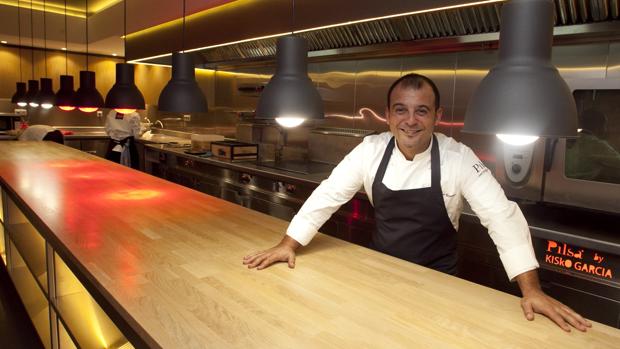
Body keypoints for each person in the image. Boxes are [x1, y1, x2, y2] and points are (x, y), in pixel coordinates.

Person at [243, 73, 592, 332]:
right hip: (379, 276)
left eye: (421, 111)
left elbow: (501, 216)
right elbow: (328, 194)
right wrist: (289, 244)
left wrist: (531, 290)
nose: (411, 121)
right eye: (402, 111)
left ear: (437, 115)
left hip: (440, 282)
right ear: (389, 115)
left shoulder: (458, 158)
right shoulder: (370, 151)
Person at [566, 109, 620, 184]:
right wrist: (600, 158)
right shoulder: (596, 144)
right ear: (599, 126)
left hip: (567, 185)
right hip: (584, 186)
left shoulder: (569, 139)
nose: (606, 129)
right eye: (605, 125)